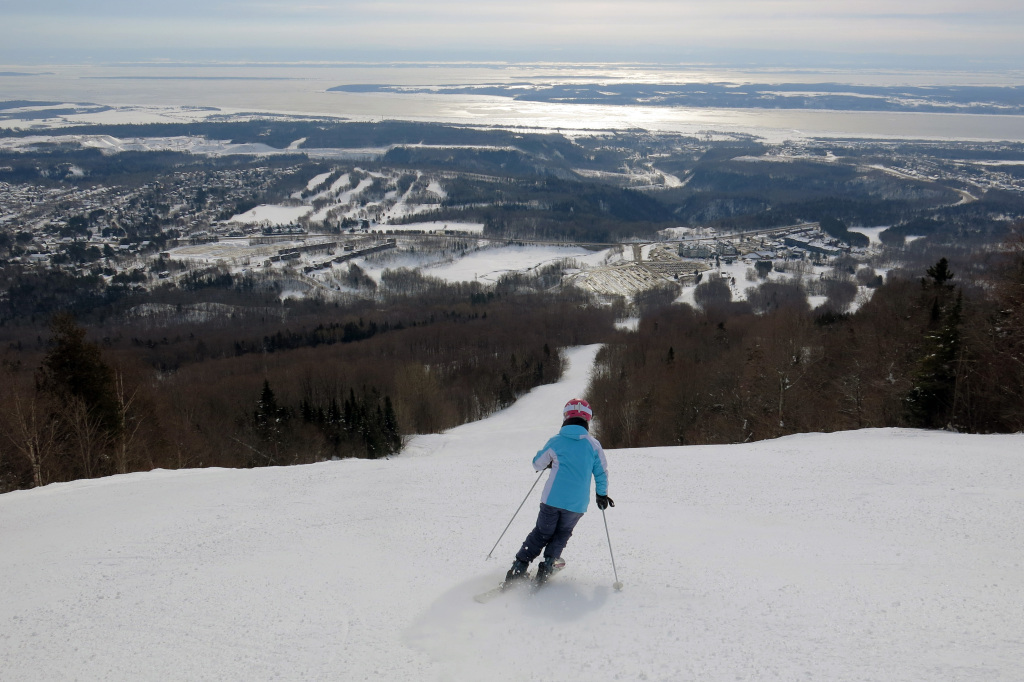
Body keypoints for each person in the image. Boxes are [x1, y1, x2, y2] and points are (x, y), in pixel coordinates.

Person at [506, 398, 613, 585]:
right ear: (588, 419)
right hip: (576, 504)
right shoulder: (593, 445)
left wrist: (549, 462)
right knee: (562, 533)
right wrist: (601, 494)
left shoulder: (556, 441)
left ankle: (520, 566)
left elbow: (536, 463)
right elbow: (601, 473)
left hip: (551, 500)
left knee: (541, 533)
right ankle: (547, 566)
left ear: (565, 417)